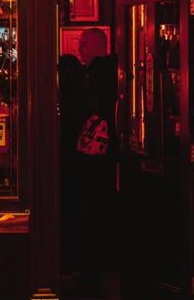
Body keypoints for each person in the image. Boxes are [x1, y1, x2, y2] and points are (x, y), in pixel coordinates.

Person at [60, 27, 119, 296]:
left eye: (84, 43)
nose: (80, 48)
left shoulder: (96, 75)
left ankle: (89, 270)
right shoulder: (109, 71)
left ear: (96, 45)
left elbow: (86, 108)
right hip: (102, 162)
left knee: (90, 213)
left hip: (92, 162)